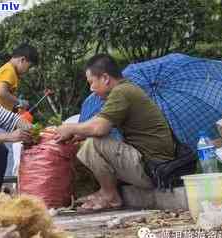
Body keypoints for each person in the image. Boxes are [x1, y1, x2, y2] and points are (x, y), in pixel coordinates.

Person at [55, 54, 175, 213]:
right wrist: (78, 133)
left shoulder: (122, 92)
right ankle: (105, 191)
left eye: (91, 82)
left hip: (152, 169)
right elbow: (97, 121)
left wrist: (71, 128)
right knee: (88, 141)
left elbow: (100, 128)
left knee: (93, 144)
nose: (91, 88)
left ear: (105, 78)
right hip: (152, 165)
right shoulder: (124, 90)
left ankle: (110, 195)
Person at [0, 43, 39, 112]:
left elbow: (4, 98)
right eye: (29, 67)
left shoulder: (9, 69)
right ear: (22, 60)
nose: (27, 71)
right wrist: (20, 101)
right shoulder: (9, 70)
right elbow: (1, 93)